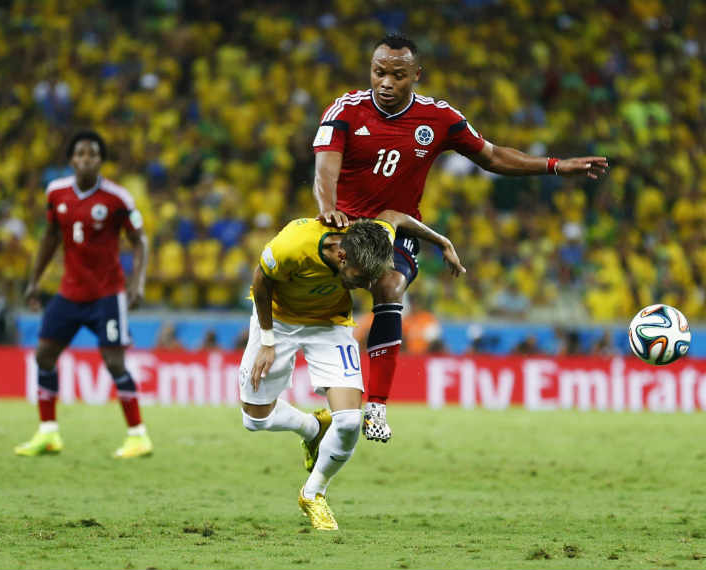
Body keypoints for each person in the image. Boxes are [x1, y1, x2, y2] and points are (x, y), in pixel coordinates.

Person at [312, 32, 609, 442]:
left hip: (397, 228)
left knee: (391, 284)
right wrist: (329, 207)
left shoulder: (440, 118)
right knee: (318, 298)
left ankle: (376, 406)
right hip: (343, 227)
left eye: (398, 76)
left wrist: (555, 166)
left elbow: (492, 156)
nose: (386, 83)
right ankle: (317, 381)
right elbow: (326, 169)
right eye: (379, 73)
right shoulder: (346, 109)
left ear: (416, 75)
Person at [239, 208, 464, 530]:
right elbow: (261, 282)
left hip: (331, 326)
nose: (365, 286)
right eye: (360, 278)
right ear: (342, 255)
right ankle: (312, 429)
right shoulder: (291, 245)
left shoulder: (372, 239)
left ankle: (313, 493)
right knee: (254, 420)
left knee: (348, 421)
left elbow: (395, 216)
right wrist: (267, 340)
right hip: (278, 322)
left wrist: (442, 241)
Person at [15, 131, 151, 459]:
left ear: (100, 161)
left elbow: (141, 241)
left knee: (114, 361)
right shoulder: (56, 192)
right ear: (72, 160)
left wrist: (137, 283)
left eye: (93, 154)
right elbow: (50, 237)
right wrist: (34, 280)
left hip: (107, 293)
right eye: (81, 153)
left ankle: (138, 436)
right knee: (44, 355)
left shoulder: (117, 198)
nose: (87, 158)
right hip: (69, 292)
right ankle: (48, 434)